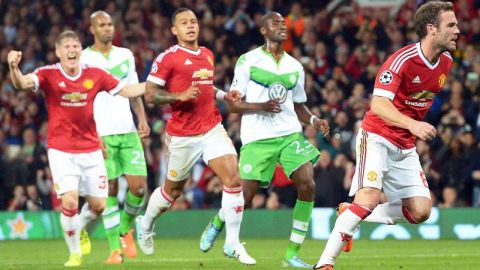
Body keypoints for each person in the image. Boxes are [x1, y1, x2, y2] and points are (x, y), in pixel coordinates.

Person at [313, 2, 459, 269]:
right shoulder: (402, 60)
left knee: (421, 212)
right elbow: (378, 105)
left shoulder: (446, 61)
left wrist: (412, 130)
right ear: (431, 29)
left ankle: (352, 214)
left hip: (404, 146)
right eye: (451, 25)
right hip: (377, 136)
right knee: (368, 196)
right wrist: (413, 125)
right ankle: (324, 263)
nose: (457, 30)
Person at [199, 12, 329, 268]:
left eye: (283, 24)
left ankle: (292, 254)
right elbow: (234, 106)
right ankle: (217, 222)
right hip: (257, 137)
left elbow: (299, 105)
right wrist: (261, 106)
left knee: (307, 183)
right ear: (262, 30)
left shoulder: (295, 66)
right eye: (275, 24)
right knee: (244, 198)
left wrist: (314, 121)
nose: (281, 27)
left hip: (289, 134)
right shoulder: (248, 61)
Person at [7, 30, 146, 267]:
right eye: (67, 47)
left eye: (75, 46)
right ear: (58, 52)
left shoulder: (95, 74)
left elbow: (127, 90)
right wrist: (13, 68)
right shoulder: (48, 74)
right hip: (61, 150)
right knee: (69, 202)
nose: (72, 51)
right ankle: (74, 254)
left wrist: (156, 84)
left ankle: (80, 226)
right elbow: (21, 84)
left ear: (81, 51)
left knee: (99, 206)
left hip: (90, 149)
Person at [135, 8, 255, 265]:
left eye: (193, 21)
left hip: (211, 128)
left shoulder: (207, 54)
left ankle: (233, 243)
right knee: (172, 192)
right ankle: (145, 224)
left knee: (233, 178)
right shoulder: (168, 58)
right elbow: (150, 94)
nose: (190, 26)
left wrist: (224, 96)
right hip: (182, 135)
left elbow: (206, 86)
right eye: (184, 23)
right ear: (174, 30)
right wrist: (177, 96)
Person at [80, 11, 149, 264]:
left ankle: (124, 229)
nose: (108, 28)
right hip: (100, 132)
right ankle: (113, 250)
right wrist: (90, 133)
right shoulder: (85, 59)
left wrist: (141, 118)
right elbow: (83, 99)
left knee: (139, 188)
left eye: (110, 24)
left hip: (128, 130)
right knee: (108, 188)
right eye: (102, 25)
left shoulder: (126, 55)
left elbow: (133, 90)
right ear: (92, 29)